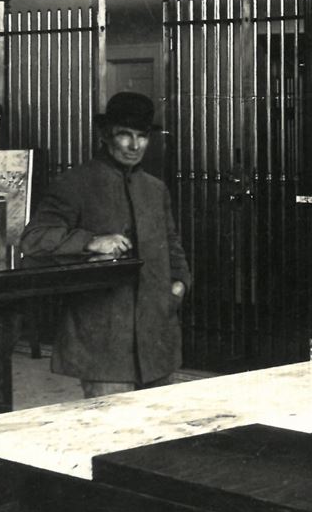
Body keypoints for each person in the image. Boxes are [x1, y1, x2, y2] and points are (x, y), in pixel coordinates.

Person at [17, 91, 188, 399]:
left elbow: (172, 245)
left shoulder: (155, 189)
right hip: (103, 344)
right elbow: (34, 239)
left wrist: (179, 284)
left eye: (142, 136)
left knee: (160, 435)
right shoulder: (75, 183)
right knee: (113, 438)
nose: (135, 146)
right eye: (125, 135)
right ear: (106, 136)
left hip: (157, 338)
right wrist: (91, 242)